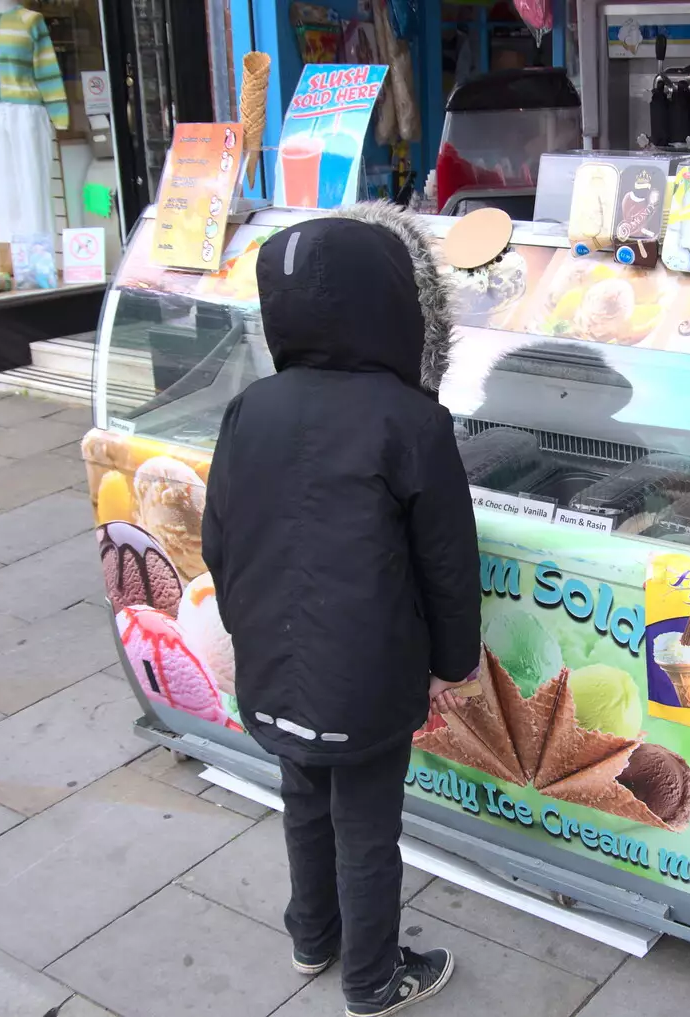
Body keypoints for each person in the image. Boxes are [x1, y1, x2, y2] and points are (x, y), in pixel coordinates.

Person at [201, 203, 480, 1017]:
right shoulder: (413, 421)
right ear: (393, 306)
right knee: (366, 830)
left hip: (273, 668)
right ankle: (371, 978)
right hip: (367, 680)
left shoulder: (251, 407)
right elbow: (447, 565)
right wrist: (452, 664)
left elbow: (221, 538)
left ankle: (311, 936)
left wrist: (244, 626)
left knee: (302, 800)